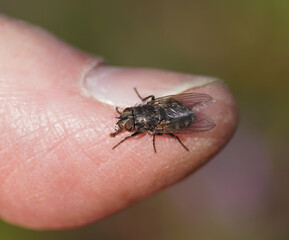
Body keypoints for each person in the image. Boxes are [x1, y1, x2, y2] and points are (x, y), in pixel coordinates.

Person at [0, 14, 237, 229]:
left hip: (171, 116)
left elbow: (157, 122)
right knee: (165, 114)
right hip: (169, 108)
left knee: (169, 131)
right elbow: (157, 102)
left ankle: (178, 139)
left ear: (138, 118)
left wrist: (123, 140)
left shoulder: (148, 127)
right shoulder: (148, 112)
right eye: (128, 120)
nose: (126, 119)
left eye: (129, 120)